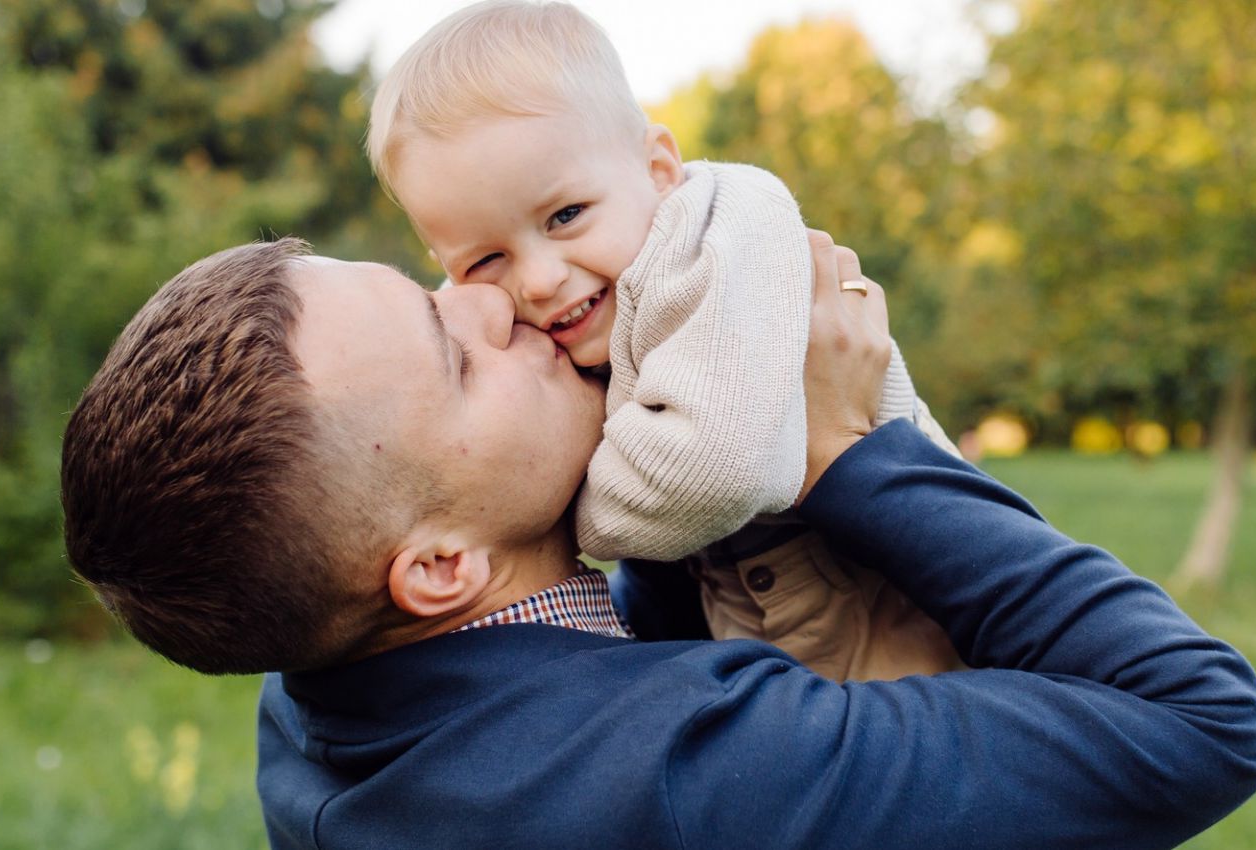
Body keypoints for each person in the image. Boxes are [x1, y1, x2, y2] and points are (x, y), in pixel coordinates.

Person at [59, 234, 1256, 848]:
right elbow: (1201, 720)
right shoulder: (693, 777)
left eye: (430, 286)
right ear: (438, 569)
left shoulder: (318, 680)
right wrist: (850, 459)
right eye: (457, 355)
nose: (495, 297)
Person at [367, 0, 960, 681]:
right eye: (484, 261)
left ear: (657, 169)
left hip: (910, 614)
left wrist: (544, 512)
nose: (537, 279)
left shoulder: (724, 236)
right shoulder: (590, 298)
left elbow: (714, 471)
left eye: (565, 216)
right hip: (785, 637)